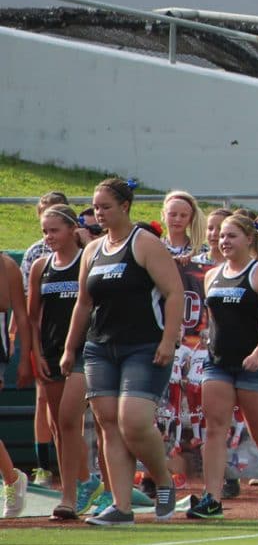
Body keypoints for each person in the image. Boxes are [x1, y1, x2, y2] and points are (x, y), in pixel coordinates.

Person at [59, 178, 184, 525]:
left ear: (125, 206)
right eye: (96, 207)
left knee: (134, 422)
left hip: (144, 346)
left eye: (105, 207)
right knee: (109, 424)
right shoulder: (92, 250)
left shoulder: (144, 243)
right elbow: (83, 304)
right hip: (100, 347)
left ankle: (162, 479)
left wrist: (168, 339)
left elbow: (174, 293)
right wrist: (71, 349)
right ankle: (122, 506)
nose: (99, 213)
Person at [186, 215, 258, 520]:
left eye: (232, 235)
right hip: (218, 364)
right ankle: (212, 498)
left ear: (249, 239)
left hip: (255, 366)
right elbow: (215, 323)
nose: (224, 241)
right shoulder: (212, 276)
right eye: (222, 236)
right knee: (214, 430)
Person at [27, 203, 88, 520]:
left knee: (72, 421)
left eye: (54, 230)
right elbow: (33, 316)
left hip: (84, 353)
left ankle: (82, 486)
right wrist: (35, 353)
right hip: (51, 354)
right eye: (44, 231)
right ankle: (70, 493)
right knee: (61, 427)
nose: (48, 237)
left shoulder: (87, 260)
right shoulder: (41, 266)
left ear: (71, 230)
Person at [0, 225, 35, 517]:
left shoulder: (6, 265)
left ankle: (12, 479)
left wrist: (23, 359)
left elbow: (19, 313)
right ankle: (12, 477)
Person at [160, 192, 200, 261]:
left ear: (191, 218)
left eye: (183, 215)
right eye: (173, 214)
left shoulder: (201, 250)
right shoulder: (155, 246)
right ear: (163, 215)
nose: (178, 219)